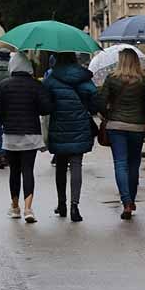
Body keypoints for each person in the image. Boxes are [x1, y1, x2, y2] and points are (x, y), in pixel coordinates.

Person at [0, 52, 52, 223]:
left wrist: (6, 121)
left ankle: (14, 206)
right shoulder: (35, 85)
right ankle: (28, 208)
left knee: (14, 171)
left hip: (11, 134)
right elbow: (46, 108)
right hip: (31, 134)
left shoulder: (4, 85)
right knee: (28, 170)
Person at [43, 53, 99, 222]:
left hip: (59, 126)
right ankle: (75, 207)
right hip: (79, 125)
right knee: (76, 166)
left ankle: (62, 204)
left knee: (60, 166)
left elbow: (45, 102)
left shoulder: (52, 77)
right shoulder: (83, 76)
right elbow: (94, 98)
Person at [98, 48, 145, 220]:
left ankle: (126, 202)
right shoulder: (144, 80)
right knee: (134, 164)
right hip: (137, 126)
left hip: (116, 126)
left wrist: (107, 114)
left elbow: (101, 102)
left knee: (120, 164)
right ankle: (132, 199)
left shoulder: (112, 79)